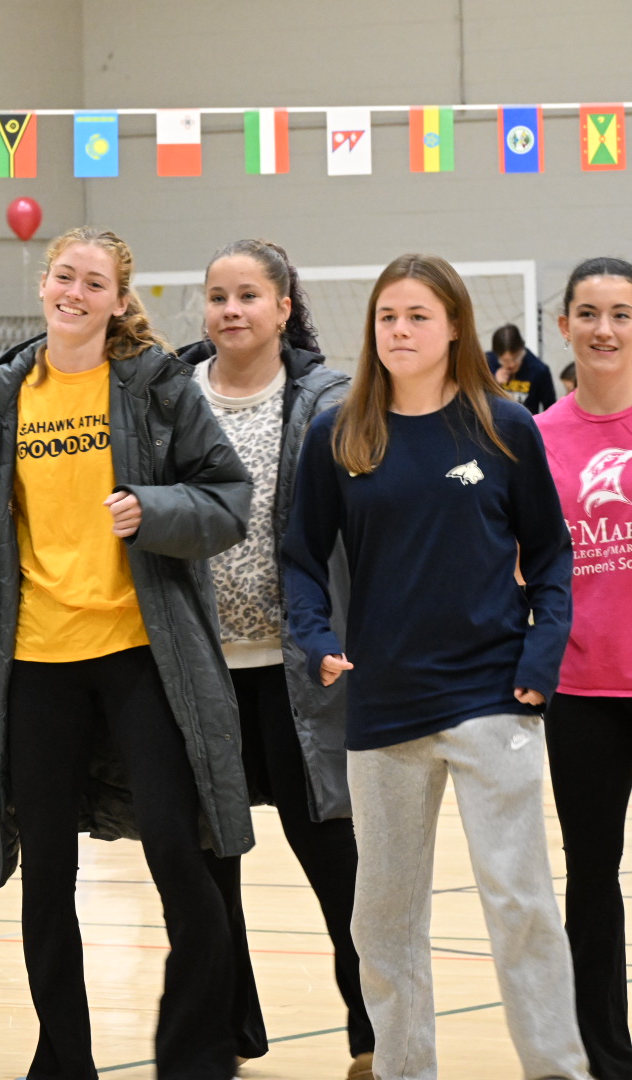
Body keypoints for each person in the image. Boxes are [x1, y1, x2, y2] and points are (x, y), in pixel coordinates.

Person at [0, 226, 254, 1080]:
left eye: (93, 282)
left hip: (142, 651)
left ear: (117, 299)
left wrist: (156, 509)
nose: (74, 292)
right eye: (64, 275)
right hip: (33, 661)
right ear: (45, 283)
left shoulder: (156, 387)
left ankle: (201, 1045)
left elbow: (226, 497)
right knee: (46, 873)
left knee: (181, 848)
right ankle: (62, 1061)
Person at [283, 254, 586, 1080]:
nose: (400, 331)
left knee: (520, 905)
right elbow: (301, 558)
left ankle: (558, 1069)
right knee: (381, 922)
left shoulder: (502, 425)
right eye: (387, 317)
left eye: (418, 315)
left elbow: (552, 555)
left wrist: (540, 655)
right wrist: (315, 638)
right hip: (382, 707)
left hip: (494, 694)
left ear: (454, 324)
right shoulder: (339, 434)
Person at [176, 239, 373, 1078]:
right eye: (218, 295)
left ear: (284, 307)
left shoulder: (329, 400)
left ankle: (371, 1027)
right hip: (198, 666)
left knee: (334, 856)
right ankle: (228, 1029)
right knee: (210, 864)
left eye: (249, 295)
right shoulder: (169, 398)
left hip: (302, 671)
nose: (231, 310)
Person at [535, 257, 632, 1080]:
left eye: (623, 314)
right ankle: (604, 1053)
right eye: (590, 313)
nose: (606, 329)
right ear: (563, 326)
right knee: (593, 879)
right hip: (583, 693)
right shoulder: (536, 441)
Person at [487, 323, 558, 414]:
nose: (511, 365)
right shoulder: (488, 363)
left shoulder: (539, 370)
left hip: (526, 424)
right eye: (505, 361)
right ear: (496, 355)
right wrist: (494, 382)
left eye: (516, 358)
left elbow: (550, 409)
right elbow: (478, 400)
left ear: (521, 349)